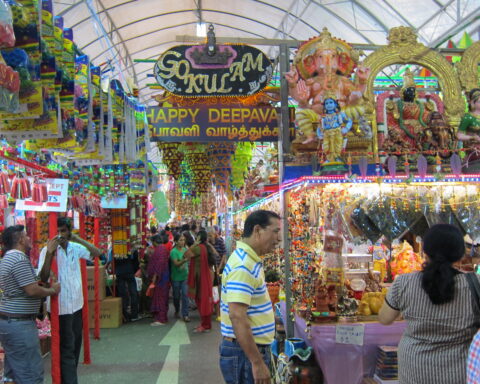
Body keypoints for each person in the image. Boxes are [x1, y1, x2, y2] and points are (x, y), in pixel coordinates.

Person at [379, 224, 480, 384]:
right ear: (461, 254)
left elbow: (384, 319)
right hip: (457, 372)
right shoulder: (475, 284)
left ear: (424, 252)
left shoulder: (404, 283)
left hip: (414, 370)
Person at [220, 210, 281, 384]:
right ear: (257, 230)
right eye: (275, 231)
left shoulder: (249, 260)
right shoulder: (243, 265)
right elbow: (237, 316)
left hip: (247, 351)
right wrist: (257, 362)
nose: (278, 238)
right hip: (245, 353)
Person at [38, 217, 101, 384]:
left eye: (63, 231)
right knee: (66, 348)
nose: (60, 235)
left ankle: (69, 377)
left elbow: (96, 252)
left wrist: (76, 238)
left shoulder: (74, 247)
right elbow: (42, 278)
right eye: (57, 231)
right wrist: (50, 253)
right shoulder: (47, 251)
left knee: (75, 346)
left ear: (68, 231)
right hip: (61, 308)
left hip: (77, 306)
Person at [0, 225, 60, 384]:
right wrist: (53, 290)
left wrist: (48, 254)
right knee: (30, 374)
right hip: (19, 324)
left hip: (11, 322)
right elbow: (32, 290)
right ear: (20, 239)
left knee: (12, 373)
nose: (29, 239)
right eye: (26, 236)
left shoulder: (7, 258)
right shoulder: (19, 259)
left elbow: (37, 281)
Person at [185, 229, 218, 333]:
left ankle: (206, 325)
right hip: (207, 276)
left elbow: (186, 255)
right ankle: (205, 324)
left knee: (202, 301)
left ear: (198, 238)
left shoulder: (198, 248)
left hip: (201, 278)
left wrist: (194, 244)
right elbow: (216, 255)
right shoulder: (207, 247)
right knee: (204, 300)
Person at [317, 97, 352, 164]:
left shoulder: (340, 114)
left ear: (335, 104)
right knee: (326, 147)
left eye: (331, 102)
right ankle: (328, 159)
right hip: (326, 134)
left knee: (338, 146)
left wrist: (346, 129)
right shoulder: (323, 117)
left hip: (337, 133)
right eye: (326, 103)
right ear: (324, 106)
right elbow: (319, 127)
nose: (328, 105)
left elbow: (349, 121)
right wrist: (319, 134)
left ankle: (337, 158)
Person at [148, 233, 170, 326]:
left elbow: (159, 265)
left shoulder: (160, 249)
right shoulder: (162, 249)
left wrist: (154, 277)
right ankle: (161, 317)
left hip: (160, 278)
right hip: (162, 277)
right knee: (161, 297)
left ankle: (161, 319)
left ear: (154, 242)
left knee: (160, 297)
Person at [115, 248, 140, 322]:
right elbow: (136, 263)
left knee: (122, 294)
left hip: (119, 272)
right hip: (129, 272)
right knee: (133, 293)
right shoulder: (131, 249)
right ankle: (134, 315)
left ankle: (124, 315)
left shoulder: (114, 248)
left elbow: (112, 261)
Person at [170, 233, 190, 322]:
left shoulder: (185, 249)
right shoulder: (173, 252)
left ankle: (185, 314)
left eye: (183, 240)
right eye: (180, 240)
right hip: (175, 278)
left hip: (185, 276)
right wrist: (185, 260)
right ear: (176, 241)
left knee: (185, 295)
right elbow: (176, 264)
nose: (182, 242)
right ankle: (177, 310)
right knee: (176, 296)